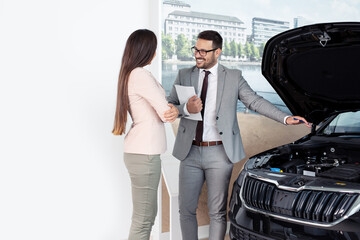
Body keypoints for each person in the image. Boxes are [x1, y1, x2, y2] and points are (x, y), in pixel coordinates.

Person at [167, 30, 310, 240]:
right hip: (189, 152)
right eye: (196, 49)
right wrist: (185, 108)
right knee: (186, 210)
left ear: (218, 52)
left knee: (217, 212)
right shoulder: (184, 74)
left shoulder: (233, 76)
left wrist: (285, 118)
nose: (198, 55)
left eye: (204, 51)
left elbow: (254, 101)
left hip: (220, 153)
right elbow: (171, 104)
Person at [112, 29, 178, 240]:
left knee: (145, 217)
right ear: (146, 50)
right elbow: (165, 113)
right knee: (143, 220)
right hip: (145, 154)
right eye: (154, 48)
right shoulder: (140, 74)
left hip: (138, 152)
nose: (156, 53)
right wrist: (175, 109)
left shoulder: (130, 74)